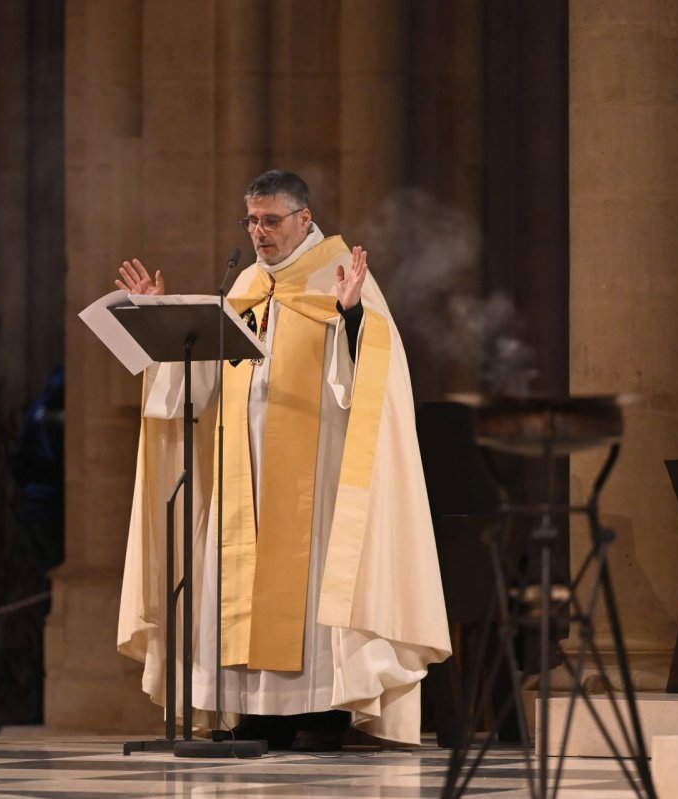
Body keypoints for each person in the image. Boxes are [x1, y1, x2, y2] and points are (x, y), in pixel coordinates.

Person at [114, 170, 450, 749]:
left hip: (314, 477)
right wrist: (161, 325)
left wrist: (349, 318)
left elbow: (375, 381)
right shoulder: (244, 282)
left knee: (311, 579)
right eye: (251, 220)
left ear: (303, 217)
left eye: (270, 221)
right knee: (235, 576)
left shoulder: (343, 275)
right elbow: (204, 383)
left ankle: (320, 711)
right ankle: (252, 710)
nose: (259, 232)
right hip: (243, 467)